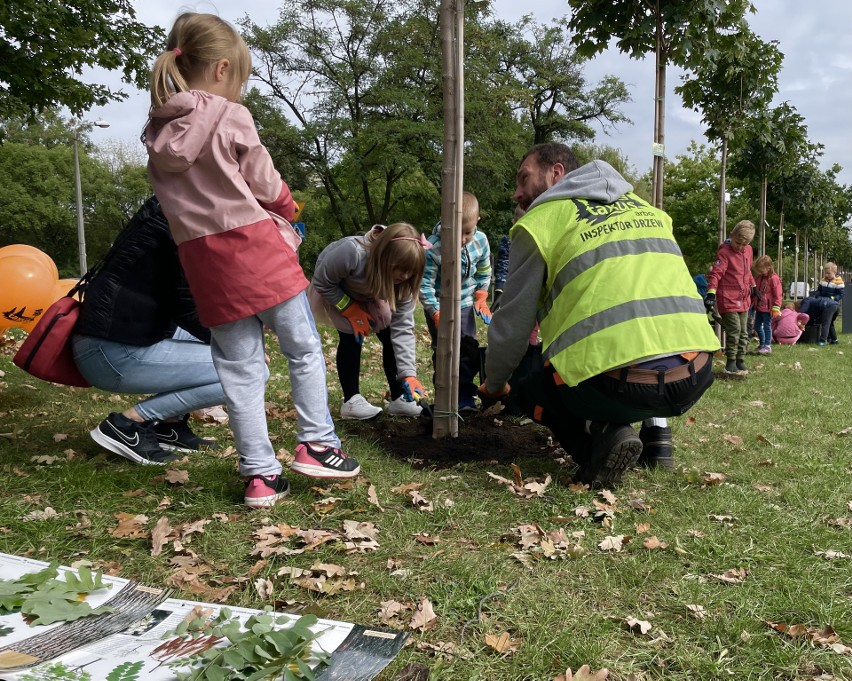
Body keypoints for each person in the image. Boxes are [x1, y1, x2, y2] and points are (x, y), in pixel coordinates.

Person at [143, 12, 358, 509]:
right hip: (256, 251)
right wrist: (287, 204)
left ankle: (260, 475)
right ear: (221, 70)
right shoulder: (228, 114)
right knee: (302, 348)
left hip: (204, 266)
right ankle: (317, 444)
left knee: (238, 369)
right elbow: (264, 182)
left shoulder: (156, 135)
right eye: (238, 78)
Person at [480, 143, 718, 488]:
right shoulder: (648, 211)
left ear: (555, 173)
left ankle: (602, 436)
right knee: (644, 341)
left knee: (529, 378)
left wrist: (496, 383)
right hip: (696, 372)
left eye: (524, 178)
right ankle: (660, 442)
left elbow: (512, 328)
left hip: (620, 386)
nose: (516, 192)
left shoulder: (540, 223)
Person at [73, 197, 222, 466]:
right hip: (112, 352)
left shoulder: (171, 207)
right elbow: (185, 303)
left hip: (119, 336)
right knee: (248, 367)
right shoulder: (184, 220)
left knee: (236, 354)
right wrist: (232, 344)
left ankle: (168, 425)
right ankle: (129, 424)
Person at [310, 223, 428, 420]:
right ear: (384, 257)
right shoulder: (351, 253)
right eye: (401, 269)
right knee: (352, 336)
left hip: (373, 292)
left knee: (391, 335)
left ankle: (399, 397)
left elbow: (403, 329)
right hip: (340, 291)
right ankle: (351, 400)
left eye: (411, 272)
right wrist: (351, 310)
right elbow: (323, 282)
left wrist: (409, 374)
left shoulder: (403, 282)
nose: (405, 275)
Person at [419, 191, 492, 413]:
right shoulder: (433, 248)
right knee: (445, 351)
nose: (462, 239)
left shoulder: (480, 240)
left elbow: (484, 270)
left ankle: (464, 398)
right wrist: (435, 312)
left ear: (477, 221)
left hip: (466, 305)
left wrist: (481, 294)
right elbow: (425, 286)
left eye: (467, 232)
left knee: (467, 349)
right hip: (440, 307)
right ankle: (445, 397)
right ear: (444, 220)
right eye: (456, 232)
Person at [704, 220, 757, 374]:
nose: (740, 247)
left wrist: (753, 287)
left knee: (744, 331)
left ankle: (741, 359)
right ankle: (731, 361)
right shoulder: (724, 252)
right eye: (738, 242)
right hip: (728, 297)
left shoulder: (748, 250)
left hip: (744, 297)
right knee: (734, 330)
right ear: (732, 235)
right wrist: (711, 293)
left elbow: (747, 273)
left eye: (744, 244)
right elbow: (716, 274)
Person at [752, 255, 782, 354]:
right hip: (759, 306)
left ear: (768, 267)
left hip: (768, 308)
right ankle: (762, 343)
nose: (760, 272)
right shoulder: (759, 278)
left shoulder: (774, 279)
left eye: (761, 270)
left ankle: (767, 345)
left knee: (767, 326)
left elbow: (778, 294)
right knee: (756, 326)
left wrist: (776, 307)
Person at [815, 262, 844, 344]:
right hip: (823, 303)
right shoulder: (823, 280)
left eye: (829, 273)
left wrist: (834, 299)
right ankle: (834, 340)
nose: (827, 275)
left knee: (826, 321)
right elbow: (819, 290)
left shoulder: (838, 282)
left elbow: (841, 294)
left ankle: (822, 340)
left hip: (833, 305)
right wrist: (817, 296)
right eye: (825, 273)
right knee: (829, 322)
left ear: (834, 272)